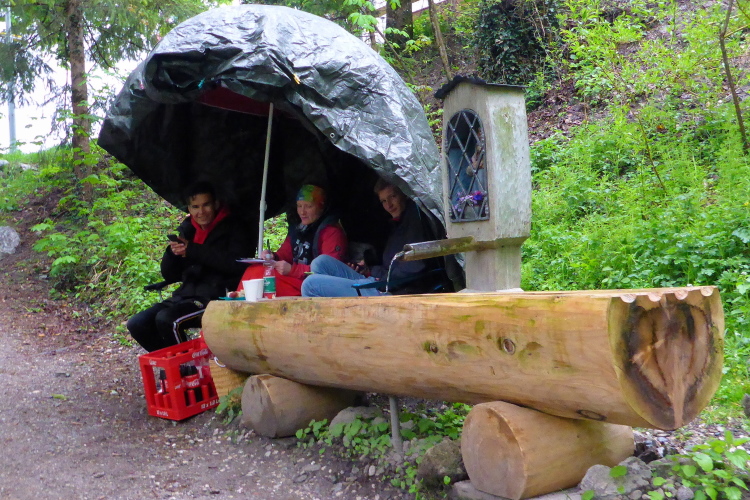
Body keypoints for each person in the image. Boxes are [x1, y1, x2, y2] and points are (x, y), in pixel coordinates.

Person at [127, 181, 253, 352]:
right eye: (195, 207)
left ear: (216, 204)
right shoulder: (188, 229)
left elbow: (237, 264)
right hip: (185, 295)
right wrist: (172, 253)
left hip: (216, 297)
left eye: (206, 205)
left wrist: (193, 250)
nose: (201, 212)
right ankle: (173, 362)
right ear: (189, 209)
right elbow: (170, 275)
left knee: (167, 320)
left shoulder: (235, 227)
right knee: (137, 324)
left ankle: (188, 365)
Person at [301, 179, 433, 297]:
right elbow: (390, 265)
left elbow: (413, 268)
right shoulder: (398, 224)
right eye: (384, 201)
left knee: (310, 285)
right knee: (320, 263)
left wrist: (378, 277)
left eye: (393, 196)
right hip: (379, 281)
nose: (389, 205)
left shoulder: (415, 221)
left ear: (404, 194)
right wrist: (368, 270)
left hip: (391, 291)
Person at [237, 184, 348, 296]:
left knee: (259, 274)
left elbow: (329, 272)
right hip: (297, 279)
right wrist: (272, 256)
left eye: (308, 206)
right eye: (299, 206)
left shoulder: (331, 232)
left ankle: (244, 300)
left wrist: (292, 270)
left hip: (312, 285)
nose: (302, 212)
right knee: (254, 269)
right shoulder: (300, 229)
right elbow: (285, 253)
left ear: (321, 207)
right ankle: (240, 297)